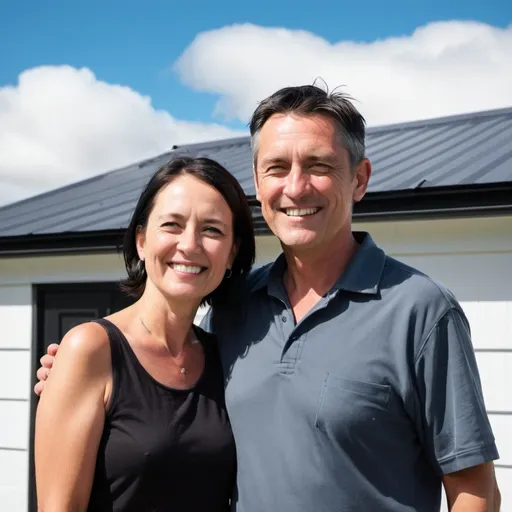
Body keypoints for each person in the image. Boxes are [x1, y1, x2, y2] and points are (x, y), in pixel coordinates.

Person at [36, 85, 501, 511]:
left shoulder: (420, 310)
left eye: (319, 166)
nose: (296, 187)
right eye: (277, 168)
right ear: (258, 185)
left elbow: (475, 490)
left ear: (359, 179)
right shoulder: (236, 308)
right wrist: (77, 375)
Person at [34, 156, 255, 511]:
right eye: (172, 225)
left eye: (212, 229)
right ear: (141, 241)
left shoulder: (223, 355)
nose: (190, 244)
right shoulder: (91, 349)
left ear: (232, 253)